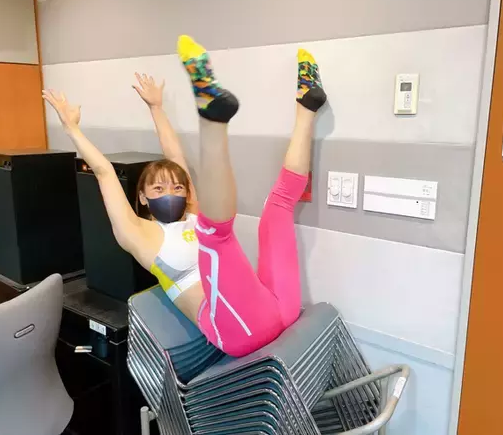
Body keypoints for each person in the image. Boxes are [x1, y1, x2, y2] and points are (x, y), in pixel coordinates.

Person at [43, 35, 327, 357]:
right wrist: (72, 129)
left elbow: (175, 155)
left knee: (278, 205)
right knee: (214, 234)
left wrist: (156, 108)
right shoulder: (138, 234)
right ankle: (212, 119)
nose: (172, 193)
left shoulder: (191, 211)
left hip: (279, 307)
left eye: (177, 187)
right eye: (159, 188)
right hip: (239, 332)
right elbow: (104, 171)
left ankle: (307, 106)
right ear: (142, 197)